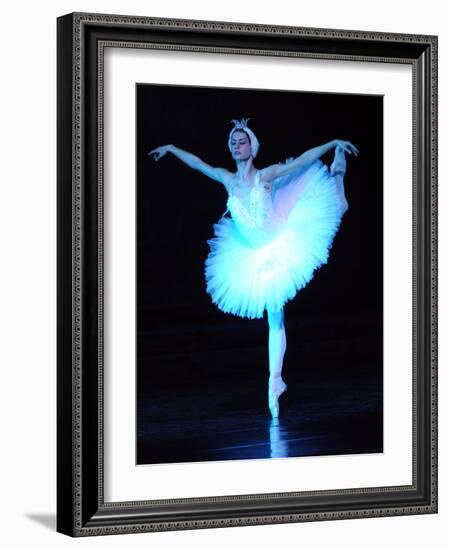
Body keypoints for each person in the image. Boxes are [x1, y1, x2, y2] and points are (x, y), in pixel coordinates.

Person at [148, 118, 358, 418]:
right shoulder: (226, 178)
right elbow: (197, 164)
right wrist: (171, 148)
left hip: (284, 238)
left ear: (252, 147)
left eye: (242, 141)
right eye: (232, 142)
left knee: (338, 207)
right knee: (274, 318)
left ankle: (338, 172)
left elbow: (303, 160)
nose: (236, 145)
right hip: (254, 254)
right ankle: (275, 382)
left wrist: (333, 143)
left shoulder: (267, 174)